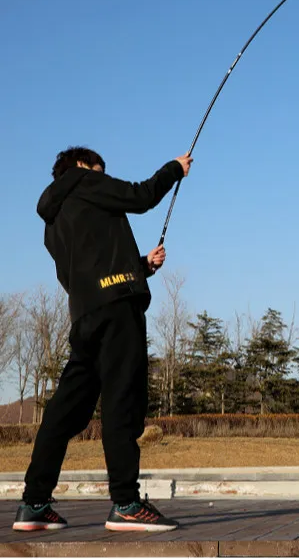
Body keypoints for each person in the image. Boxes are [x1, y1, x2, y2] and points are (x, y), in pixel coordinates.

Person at [13, 147, 192, 533]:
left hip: (86, 316)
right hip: (117, 313)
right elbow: (141, 196)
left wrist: (141, 267)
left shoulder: (53, 221)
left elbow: (88, 268)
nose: (103, 175)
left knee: (64, 414)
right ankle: (126, 503)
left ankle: (34, 504)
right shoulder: (87, 182)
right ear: (81, 167)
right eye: (100, 168)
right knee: (122, 402)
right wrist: (174, 169)